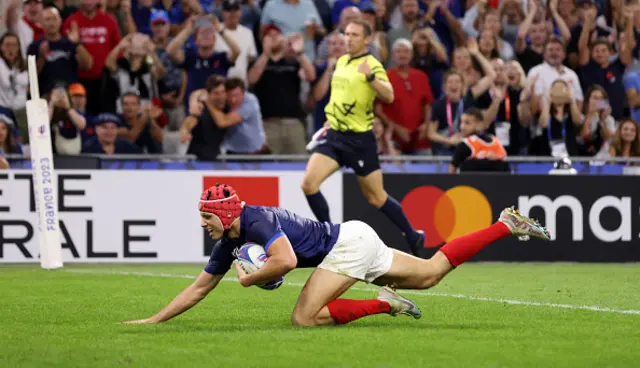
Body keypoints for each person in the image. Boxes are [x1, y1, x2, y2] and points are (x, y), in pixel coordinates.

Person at [122, 183, 550, 326]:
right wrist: (153, 320)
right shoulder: (229, 241)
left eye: (206, 217)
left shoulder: (257, 222)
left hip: (345, 246)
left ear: (226, 213)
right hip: (351, 238)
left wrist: (251, 277)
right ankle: (505, 225)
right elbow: (198, 289)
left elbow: (286, 262)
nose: (203, 223)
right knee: (431, 272)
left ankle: (383, 303)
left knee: (303, 318)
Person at [301, 20, 425, 256]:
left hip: (359, 141)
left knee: (376, 198)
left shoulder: (372, 65)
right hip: (335, 135)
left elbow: (389, 96)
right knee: (309, 184)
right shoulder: (341, 61)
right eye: (346, 34)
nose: (349, 38)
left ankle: (413, 235)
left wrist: (371, 79)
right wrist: (332, 117)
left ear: (366, 39)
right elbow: (341, 95)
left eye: (354, 35)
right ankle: (329, 240)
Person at [448, 107, 509, 173]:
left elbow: (451, 171)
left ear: (479, 124)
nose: (462, 126)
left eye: (467, 123)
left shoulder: (465, 144)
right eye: (461, 122)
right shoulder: (496, 141)